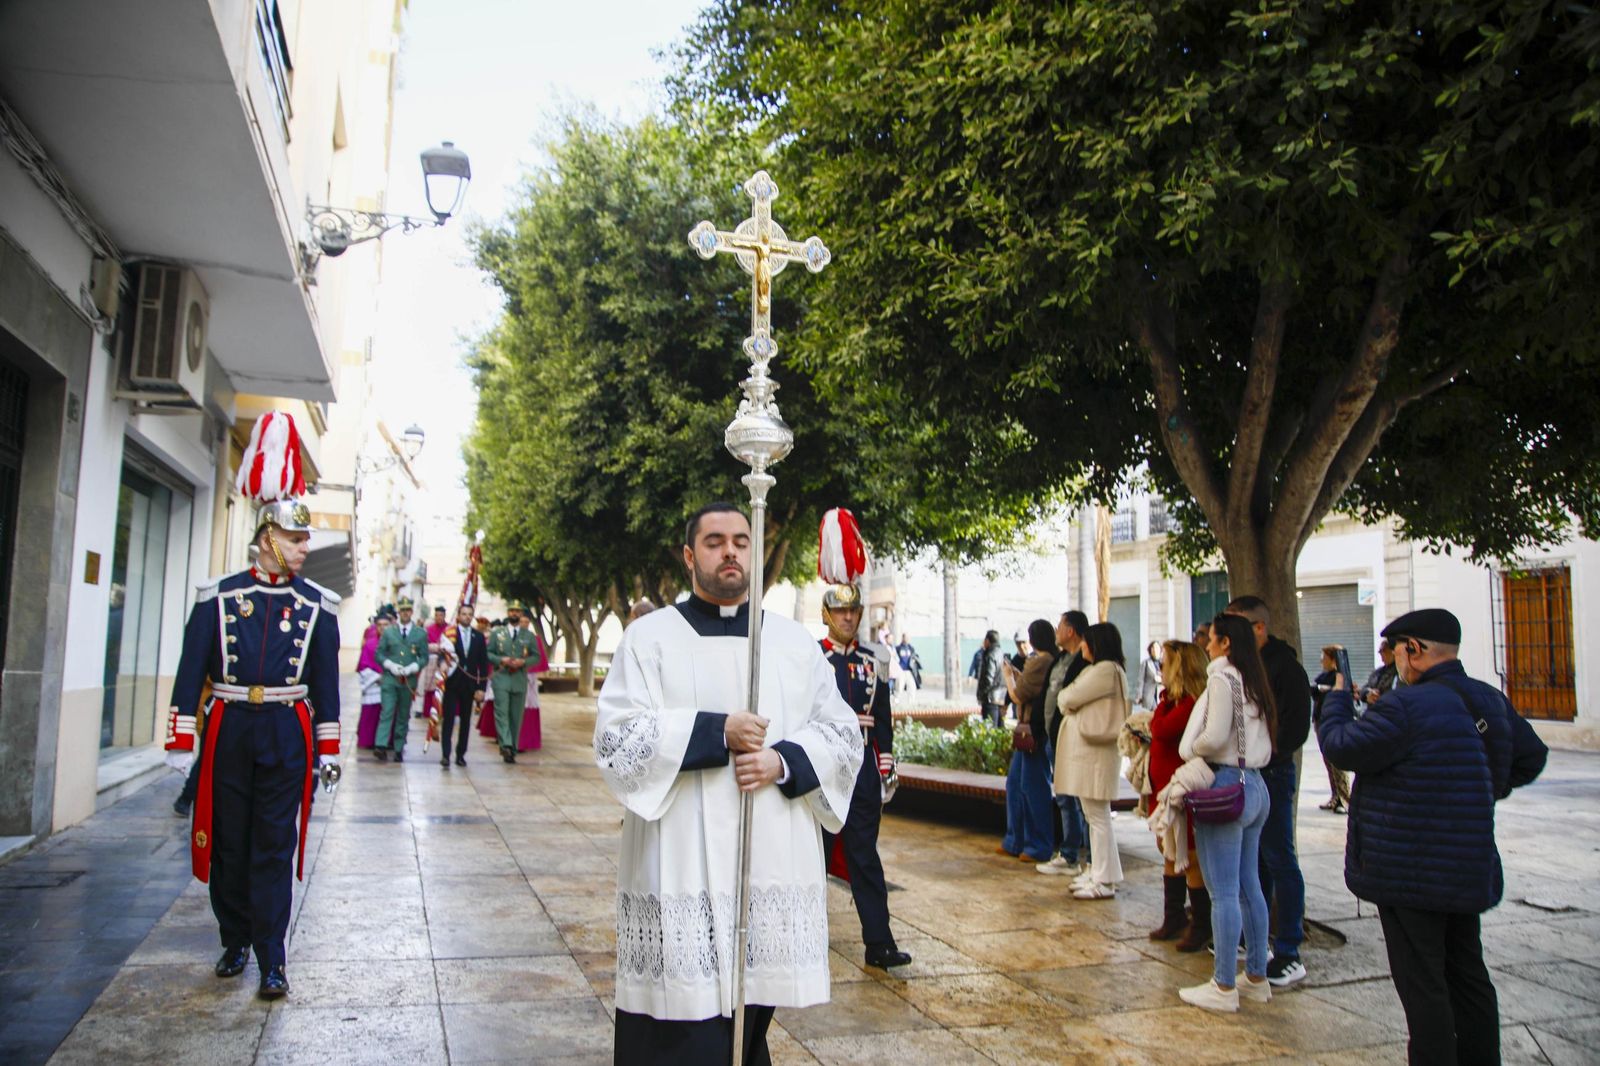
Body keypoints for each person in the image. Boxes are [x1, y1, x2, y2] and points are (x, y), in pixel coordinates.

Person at [594, 503, 862, 1065]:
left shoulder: (790, 645)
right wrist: (718, 731)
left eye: (742, 540)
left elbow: (842, 735)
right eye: (715, 541)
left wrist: (783, 762)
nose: (731, 551)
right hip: (680, 862)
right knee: (681, 1024)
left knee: (747, 1025)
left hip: (767, 860)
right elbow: (617, 741)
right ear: (691, 556)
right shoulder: (649, 639)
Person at [161, 411, 341, 999]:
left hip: (287, 731)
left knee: (273, 843)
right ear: (267, 539)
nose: (304, 547)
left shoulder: (319, 607)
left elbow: (326, 689)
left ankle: (272, 955)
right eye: (295, 538)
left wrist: (328, 751)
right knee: (230, 840)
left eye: (305, 538)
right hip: (231, 726)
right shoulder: (219, 598)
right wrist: (181, 735)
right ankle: (233, 938)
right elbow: (192, 671)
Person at [1320, 608, 1546, 1065]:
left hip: (1410, 869)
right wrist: (1481, 789)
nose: (1396, 660)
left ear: (1415, 650)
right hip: (1466, 864)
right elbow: (1531, 757)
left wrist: (1338, 699)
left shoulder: (1408, 705)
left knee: (1424, 985)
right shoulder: (1488, 698)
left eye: (1399, 650)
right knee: (1467, 975)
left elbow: (1341, 745)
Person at [1176, 613, 1277, 1012]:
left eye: (1212, 638)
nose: (1206, 643)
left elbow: (1216, 735)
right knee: (1250, 885)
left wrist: (1191, 749)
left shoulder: (1221, 678)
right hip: (1255, 785)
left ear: (1225, 644)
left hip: (1225, 786)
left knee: (1223, 892)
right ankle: (1255, 976)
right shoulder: (1254, 679)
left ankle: (1222, 986)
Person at [818, 581, 913, 970]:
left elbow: (884, 720)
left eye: (853, 611)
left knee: (865, 858)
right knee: (812, 856)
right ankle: (799, 936)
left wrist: (885, 762)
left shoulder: (872, 662)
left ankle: (879, 943)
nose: (848, 617)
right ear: (827, 614)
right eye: (840, 611)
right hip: (821, 768)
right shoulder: (813, 658)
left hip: (861, 771)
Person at [1225, 594, 1311, 989]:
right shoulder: (1239, 667)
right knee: (1252, 860)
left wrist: (1265, 754)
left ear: (1258, 628)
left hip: (1272, 774)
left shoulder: (1285, 669)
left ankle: (1290, 950)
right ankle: (1251, 938)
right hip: (1247, 774)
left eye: (1236, 627)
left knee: (1279, 858)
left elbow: (1294, 729)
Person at [1055, 622, 1131, 900]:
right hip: (1095, 754)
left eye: (1087, 642)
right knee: (1096, 817)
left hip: (1094, 755)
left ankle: (1103, 879)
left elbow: (1068, 696)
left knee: (1097, 818)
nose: (1083, 647)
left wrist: (1069, 701)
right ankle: (1102, 873)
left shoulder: (1104, 670)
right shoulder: (1110, 670)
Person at [1146, 639, 1211, 950]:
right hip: (1162, 790)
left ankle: (1201, 924)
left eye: (1166, 662)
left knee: (1190, 856)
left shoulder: (1190, 703)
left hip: (1181, 790)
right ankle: (1173, 917)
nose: (1160, 667)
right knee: (1168, 850)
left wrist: (1159, 710)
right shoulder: (1171, 700)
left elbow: (1160, 729)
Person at [1036, 610, 1091, 877]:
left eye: (1060, 626)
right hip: (1053, 738)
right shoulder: (1060, 658)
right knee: (1064, 797)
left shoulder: (1084, 661)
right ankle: (1069, 854)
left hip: (1071, 739)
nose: (1056, 630)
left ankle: (1084, 858)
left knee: (1080, 800)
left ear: (1070, 630)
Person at [999, 619, 1057, 863]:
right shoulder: (1044, 660)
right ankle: (1017, 840)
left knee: (1032, 788)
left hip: (1033, 731)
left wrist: (1008, 677)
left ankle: (1037, 845)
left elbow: (1018, 694)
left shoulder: (1042, 661)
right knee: (1016, 784)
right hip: (1029, 732)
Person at [376, 597, 428, 763]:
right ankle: (381, 745)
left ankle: (398, 748)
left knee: (403, 715)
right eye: (402, 610)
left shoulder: (420, 633)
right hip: (391, 678)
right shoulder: (389, 632)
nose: (405, 613)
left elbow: (424, 657)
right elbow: (379, 653)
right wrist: (389, 664)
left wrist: (413, 667)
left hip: (408, 680)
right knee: (387, 711)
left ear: (411, 612)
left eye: (408, 610)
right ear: (398, 613)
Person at [488, 603, 540, 763]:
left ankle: (513, 747)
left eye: (517, 611)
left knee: (516, 715)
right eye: (511, 611)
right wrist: (500, 659)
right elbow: (488, 652)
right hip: (501, 677)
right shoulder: (497, 633)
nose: (514, 614)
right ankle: (506, 744)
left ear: (521, 614)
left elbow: (536, 656)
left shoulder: (528, 636)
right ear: (508, 613)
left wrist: (523, 662)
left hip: (519, 678)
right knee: (502, 712)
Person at [438, 603, 489, 768]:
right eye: (464, 614)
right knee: (449, 720)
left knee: (466, 721)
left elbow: (483, 664)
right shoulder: (449, 634)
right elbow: (442, 655)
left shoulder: (478, 637)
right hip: (453, 682)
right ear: (458, 616)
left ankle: (461, 754)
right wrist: (442, 664)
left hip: (470, 685)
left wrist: (481, 688)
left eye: (469, 614)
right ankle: (446, 754)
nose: (466, 617)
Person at [1311, 646, 1351, 812]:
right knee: (1328, 761)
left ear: (1334, 660)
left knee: (1337, 762)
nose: (1321, 660)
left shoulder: (1339, 677)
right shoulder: (1324, 676)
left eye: (1324, 656)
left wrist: (1324, 690)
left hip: (1334, 723)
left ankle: (1344, 799)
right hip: (1321, 720)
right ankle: (1335, 796)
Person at [356, 607, 393, 749]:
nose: (383, 628)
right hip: (373, 684)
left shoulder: (395, 643)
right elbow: (363, 666)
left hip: (390, 684)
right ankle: (368, 741)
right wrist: (377, 678)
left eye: (386, 625)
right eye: (380, 625)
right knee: (371, 715)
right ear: (375, 627)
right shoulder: (369, 644)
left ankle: (386, 743)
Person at [971, 630, 1006, 728]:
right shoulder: (1001, 653)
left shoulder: (990, 654)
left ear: (987, 640)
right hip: (1000, 698)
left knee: (990, 729)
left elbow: (989, 679)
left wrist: (982, 695)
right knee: (999, 730)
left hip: (990, 698)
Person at [420, 605, 449, 721]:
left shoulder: (449, 628)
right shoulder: (429, 629)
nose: (439, 618)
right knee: (430, 687)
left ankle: (443, 711)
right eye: (437, 615)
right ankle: (428, 710)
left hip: (445, 661)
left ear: (444, 616)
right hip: (431, 661)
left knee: (443, 687)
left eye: (441, 615)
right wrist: (436, 647)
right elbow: (423, 645)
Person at [1361, 640, 1399, 705]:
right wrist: (1368, 693)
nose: (1382, 657)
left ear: (1392, 651)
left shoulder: (1399, 673)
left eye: (1384, 652)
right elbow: (1364, 688)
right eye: (1380, 653)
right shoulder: (1378, 672)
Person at [1136, 640, 1163, 711]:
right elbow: (1140, 680)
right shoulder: (1146, 663)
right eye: (1153, 648)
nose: (1155, 650)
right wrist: (1139, 696)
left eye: (1157, 648)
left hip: (1160, 694)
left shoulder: (1163, 663)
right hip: (1149, 695)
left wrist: (1161, 679)